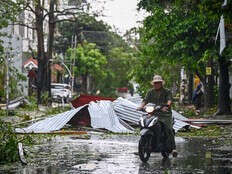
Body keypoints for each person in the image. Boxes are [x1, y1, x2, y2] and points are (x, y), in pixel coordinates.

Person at [137, 75, 177, 157]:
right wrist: (141, 106)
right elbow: (145, 100)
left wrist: (167, 106)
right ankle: (143, 145)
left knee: (168, 128)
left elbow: (169, 100)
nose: (157, 84)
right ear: (153, 83)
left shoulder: (167, 91)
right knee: (144, 123)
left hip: (165, 114)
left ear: (161, 83)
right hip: (153, 113)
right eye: (155, 83)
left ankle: (173, 148)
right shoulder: (150, 92)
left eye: (159, 82)